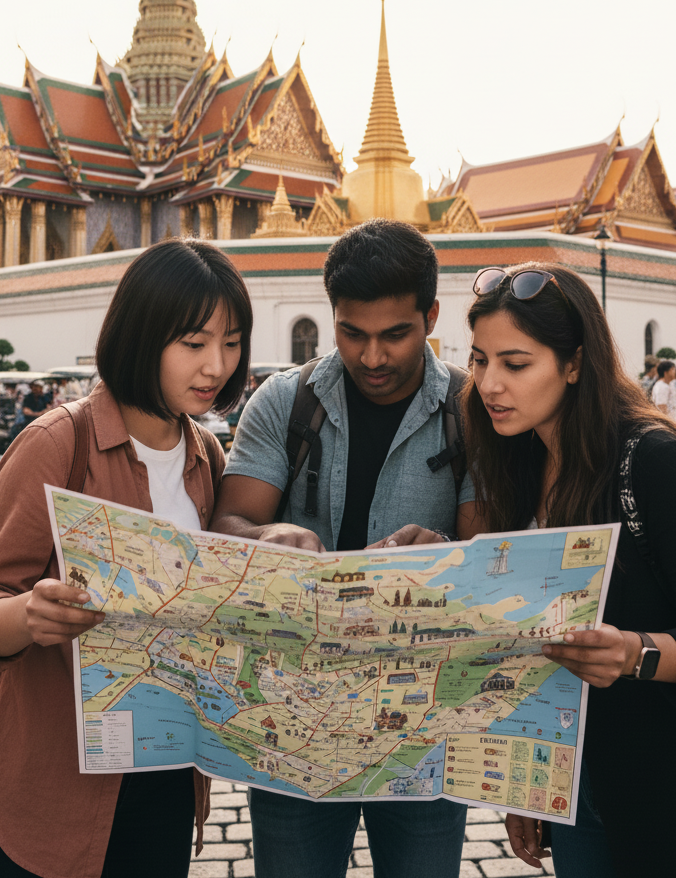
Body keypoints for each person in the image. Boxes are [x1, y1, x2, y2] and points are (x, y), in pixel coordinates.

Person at [464, 263, 676, 878]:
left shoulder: (656, 461)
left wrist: (634, 653)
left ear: (575, 363)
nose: (489, 384)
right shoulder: (520, 463)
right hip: (577, 780)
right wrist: (524, 784)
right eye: (480, 360)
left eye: (515, 363)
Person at [0, 239, 253, 878]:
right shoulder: (57, 443)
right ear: (143, 336)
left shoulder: (207, 458)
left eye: (231, 342)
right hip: (47, 772)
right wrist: (31, 614)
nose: (217, 365)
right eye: (194, 343)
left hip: (163, 771)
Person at [211, 218, 476, 878]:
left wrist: (440, 549)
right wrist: (273, 535)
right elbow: (227, 528)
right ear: (332, 316)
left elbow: (489, 556)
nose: (373, 357)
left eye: (395, 334)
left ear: (432, 316)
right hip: (295, 716)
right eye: (352, 333)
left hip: (422, 722)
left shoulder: (470, 410)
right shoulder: (284, 401)